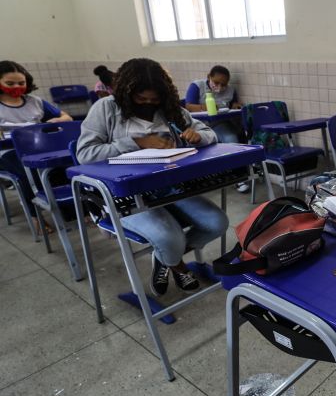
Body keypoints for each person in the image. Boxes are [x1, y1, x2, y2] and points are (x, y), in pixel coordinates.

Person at [77, 58, 228, 297]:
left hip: (167, 188)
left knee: (216, 223)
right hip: (122, 196)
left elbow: (208, 132)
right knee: (171, 238)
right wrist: (135, 142)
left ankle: (165, 258)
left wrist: (198, 136)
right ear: (127, 92)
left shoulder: (169, 109)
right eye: (141, 99)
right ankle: (176, 263)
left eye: (154, 99)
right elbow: (85, 154)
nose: (148, 104)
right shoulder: (105, 109)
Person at [0, 60, 73, 234]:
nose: (17, 87)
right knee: (28, 172)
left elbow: (67, 117)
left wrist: (57, 120)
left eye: (21, 83)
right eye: (10, 83)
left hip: (38, 149)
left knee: (63, 164)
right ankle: (36, 217)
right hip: (7, 152)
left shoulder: (35, 102)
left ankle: (72, 210)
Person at [184, 65, 248, 192]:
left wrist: (235, 105)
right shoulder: (197, 86)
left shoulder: (230, 90)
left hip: (219, 124)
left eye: (223, 84)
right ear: (209, 77)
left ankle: (239, 178)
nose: (219, 87)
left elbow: (233, 104)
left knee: (232, 140)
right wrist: (207, 107)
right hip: (199, 126)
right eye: (216, 82)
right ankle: (199, 181)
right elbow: (188, 106)